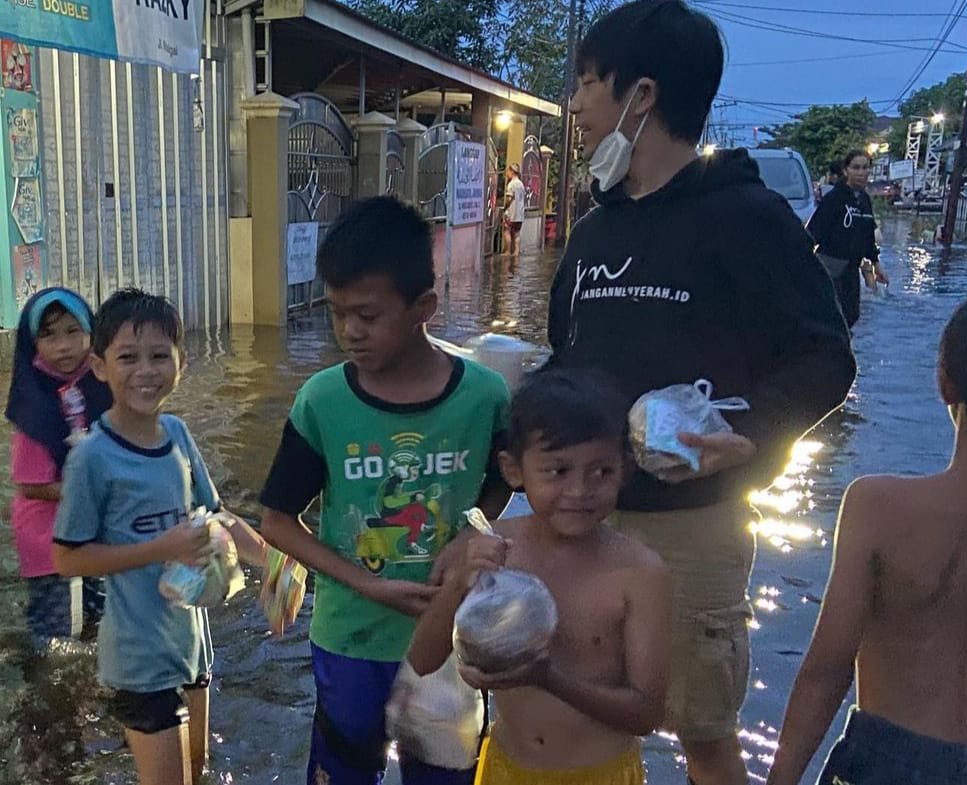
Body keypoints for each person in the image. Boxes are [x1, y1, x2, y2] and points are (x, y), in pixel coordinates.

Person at [546, 2, 857, 782]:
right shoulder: (595, 232)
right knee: (576, 713)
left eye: (587, 84)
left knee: (702, 732)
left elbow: (825, 358)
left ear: (640, 95)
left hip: (694, 528)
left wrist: (751, 437)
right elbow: (563, 361)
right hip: (580, 521)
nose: (574, 106)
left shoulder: (747, 218)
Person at [766, 277, 967, 785]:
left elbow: (827, 669)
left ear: (945, 382)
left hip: (886, 758)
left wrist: (782, 778)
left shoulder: (878, 506)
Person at [257, 196, 512, 785]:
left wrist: (467, 534)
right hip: (352, 635)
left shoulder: (485, 397)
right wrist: (369, 584)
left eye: (368, 316)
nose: (350, 331)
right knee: (344, 768)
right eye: (337, 312)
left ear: (424, 306)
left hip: (453, 638)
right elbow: (277, 521)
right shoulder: (322, 401)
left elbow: (503, 484)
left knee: (445, 775)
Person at [408, 368, 671, 785]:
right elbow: (423, 660)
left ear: (625, 470)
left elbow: (646, 714)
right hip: (504, 769)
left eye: (601, 471)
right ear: (513, 470)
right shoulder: (494, 550)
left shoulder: (639, 573)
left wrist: (544, 677)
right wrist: (460, 581)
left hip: (600, 775)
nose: (580, 490)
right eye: (557, 471)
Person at [51, 288, 268, 785]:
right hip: (138, 654)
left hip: (190, 641)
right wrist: (160, 549)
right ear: (99, 366)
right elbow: (66, 560)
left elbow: (215, 516)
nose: (145, 370)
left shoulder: (177, 434)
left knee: (201, 770)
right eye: (127, 357)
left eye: (158, 356)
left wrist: (278, 563)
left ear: (181, 362)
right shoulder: (92, 458)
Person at [5, 288, 111, 652]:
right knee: (54, 636)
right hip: (45, 531)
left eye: (72, 331)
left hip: (93, 527)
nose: (63, 346)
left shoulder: (101, 384)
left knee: (103, 618)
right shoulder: (32, 406)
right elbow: (30, 485)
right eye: (49, 334)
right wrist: (92, 490)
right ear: (32, 342)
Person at [807, 150, 890, 328]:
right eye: (856, 168)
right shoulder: (834, 199)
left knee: (852, 315)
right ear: (846, 171)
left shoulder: (864, 200)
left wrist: (876, 265)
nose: (861, 173)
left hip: (852, 267)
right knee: (832, 315)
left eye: (865, 168)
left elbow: (868, 236)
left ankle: (843, 348)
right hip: (830, 265)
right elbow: (814, 231)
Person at [504, 162, 527, 257]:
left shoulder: (511, 184)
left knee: (507, 231)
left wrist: (505, 207)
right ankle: (516, 251)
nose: (507, 174)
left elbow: (509, 199)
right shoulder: (521, 184)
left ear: (512, 172)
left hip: (511, 213)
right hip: (520, 214)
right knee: (517, 233)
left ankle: (508, 251)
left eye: (508, 172)